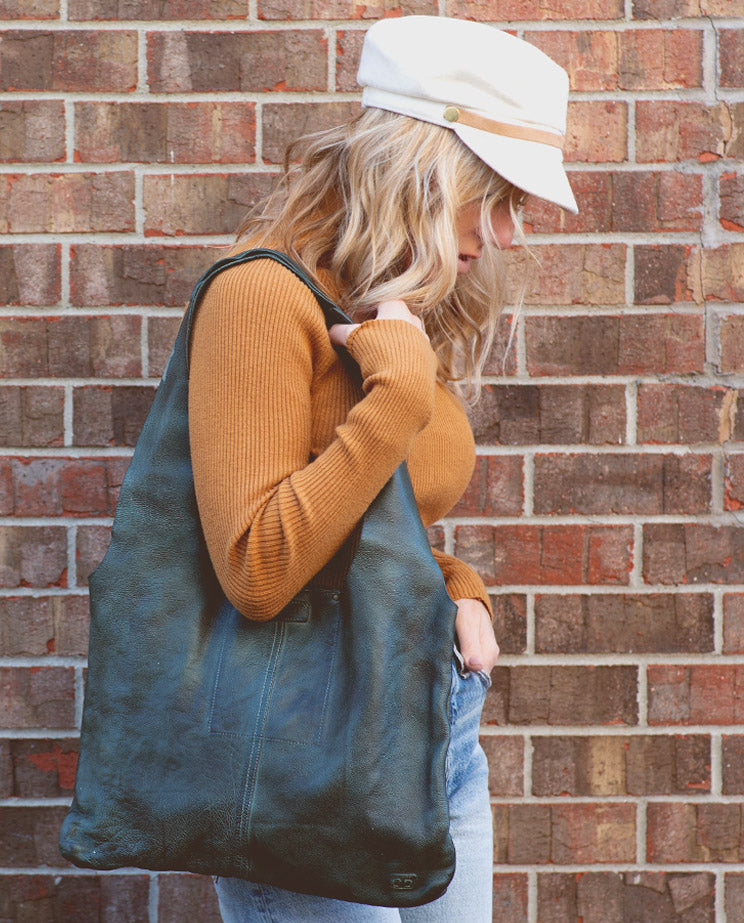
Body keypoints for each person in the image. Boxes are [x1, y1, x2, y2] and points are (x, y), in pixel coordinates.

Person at [187, 15, 577, 923]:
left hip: (434, 729)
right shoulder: (260, 298)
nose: (512, 234)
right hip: (303, 749)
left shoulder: (393, 313)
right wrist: (395, 394)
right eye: (501, 196)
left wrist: (453, 580)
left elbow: (371, 515)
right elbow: (257, 565)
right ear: (428, 173)